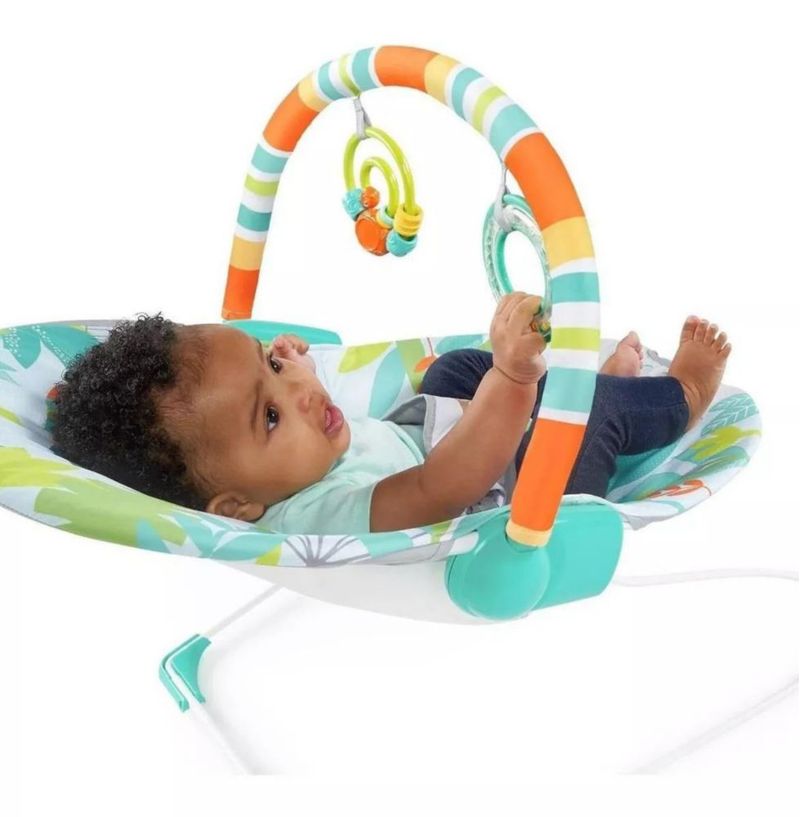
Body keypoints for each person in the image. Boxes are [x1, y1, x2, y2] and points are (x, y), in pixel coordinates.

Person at [49, 293, 730, 535]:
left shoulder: (283, 467)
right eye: (270, 417)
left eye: (271, 366)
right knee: (590, 418)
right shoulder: (318, 518)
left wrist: (293, 372)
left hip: (440, 431)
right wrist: (514, 378)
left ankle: (570, 392)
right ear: (236, 507)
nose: (301, 394)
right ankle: (679, 396)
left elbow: (300, 403)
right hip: (513, 496)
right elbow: (441, 486)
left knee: (451, 370)